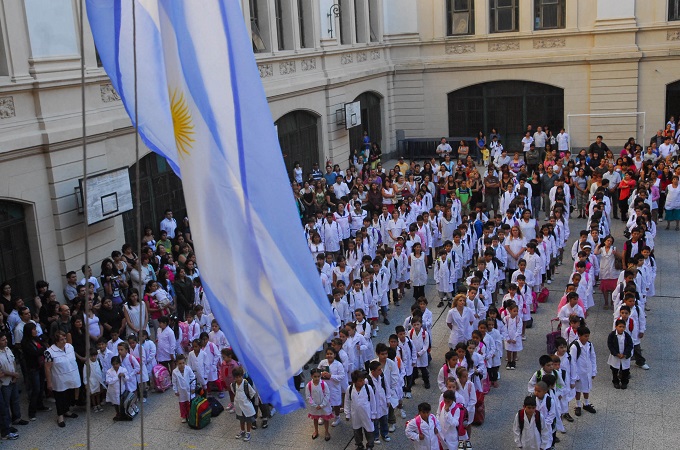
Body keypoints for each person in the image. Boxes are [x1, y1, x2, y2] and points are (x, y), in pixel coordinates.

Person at [44, 331, 81, 427]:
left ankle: (67, 411)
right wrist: (49, 382)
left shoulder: (70, 347)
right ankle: (60, 416)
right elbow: (47, 368)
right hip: (59, 378)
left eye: (65, 338)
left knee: (69, 395)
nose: (64, 341)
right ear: (56, 341)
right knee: (60, 397)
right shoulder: (50, 352)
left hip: (71, 376)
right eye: (61, 339)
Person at [345, 370, 377, 450]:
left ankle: (370, 445)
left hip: (367, 414)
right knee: (357, 430)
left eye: (363, 380)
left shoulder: (367, 388)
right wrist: (347, 413)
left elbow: (373, 401)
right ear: (354, 381)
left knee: (369, 431)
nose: (362, 382)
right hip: (355, 415)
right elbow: (347, 401)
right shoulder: (350, 389)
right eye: (360, 381)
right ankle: (359, 444)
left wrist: (373, 414)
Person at [569, 326, 597, 416]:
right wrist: (574, 375)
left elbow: (593, 357)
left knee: (587, 387)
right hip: (579, 371)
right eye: (585, 336)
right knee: (578, 389)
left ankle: (586, 403)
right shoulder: (574, 347)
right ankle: (578, 405)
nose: (587, 338)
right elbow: (572, 361)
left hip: (587, 371)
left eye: (588, 336)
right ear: (579, 335)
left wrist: (593, 371)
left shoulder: (589, 345)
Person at [232, 366, 257, 442]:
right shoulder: (233, 385)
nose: (238, 379)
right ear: (234, 378)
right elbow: (234, 392)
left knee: (248, 420)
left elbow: (252, 393)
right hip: (238, 406)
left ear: (242, 376)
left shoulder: (246, 384)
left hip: (246, 405)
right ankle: (242, 430)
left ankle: (248, 432)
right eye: (236, 377)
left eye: (239, 377)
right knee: (241, 419)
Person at [307, 368, 332, 441]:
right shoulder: (309, 385)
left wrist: (322, 405)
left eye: (318, 376)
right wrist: (315, 405)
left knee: (326, 418)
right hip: (314, 406)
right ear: (311, 376)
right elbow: (308, 397)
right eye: (315, 376)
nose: (317, 378)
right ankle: (316, 431)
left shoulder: (324, 384)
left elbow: (327, 394)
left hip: (324, 405)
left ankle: (327, 431)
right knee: (315, 418)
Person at [607, 319, 634, 389]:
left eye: (623, 327)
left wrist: (625, 354)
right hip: (616, 356)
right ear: (616, 327)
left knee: (625, 370)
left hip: (624, 357)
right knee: (615, 370)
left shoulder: (627, 336)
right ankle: (615, 381)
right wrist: (616, 354)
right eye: (620, 326)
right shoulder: (612, 335)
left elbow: (630, 345)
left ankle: (624, 382)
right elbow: (610, 345)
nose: (621, 328)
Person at [105, 356, 131, 421]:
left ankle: (123, 413)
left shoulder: (123, 370)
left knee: (121, 402)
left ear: (119, 363)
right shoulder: (109, 371)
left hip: (121, 389)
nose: (115, 365)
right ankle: (117, 413)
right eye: (113, 364)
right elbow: (108, 381)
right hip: (113, 390)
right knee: (115, 402)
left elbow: (128, 379)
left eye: (116, 364)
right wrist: (117, 377)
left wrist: (124, 375)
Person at [82, 348, 104, 412]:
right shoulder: (87, 364)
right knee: (92, 394)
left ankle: (98, 404)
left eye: (95, 356)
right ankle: (94, 405)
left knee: (97, 393)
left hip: (98, 380)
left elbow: (100, 371)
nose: (94, 357)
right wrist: (86, 383)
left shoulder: (98, 361)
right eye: (92, 356)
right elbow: (85, 374)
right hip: (91, 381)